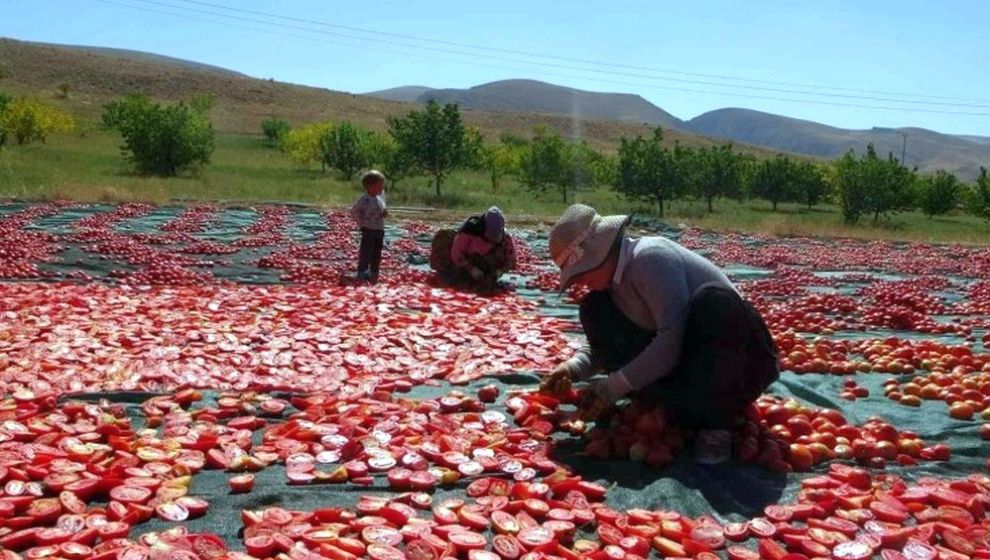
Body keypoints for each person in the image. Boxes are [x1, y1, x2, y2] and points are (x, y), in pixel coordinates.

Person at [540, 204, 779, 464]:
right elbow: (602, 348)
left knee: (714, 303)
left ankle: (716, 423)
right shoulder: (612, 285)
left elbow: (670, 341)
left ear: (598, 255)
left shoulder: (650, 259)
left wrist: (612, 387)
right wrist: (573, 368)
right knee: (593, 309)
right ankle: (681, 411)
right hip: (690, 366)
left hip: (739, 365)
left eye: (580, 273)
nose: (578, 282)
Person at [430, 206, 516, 291]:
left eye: (497, 233)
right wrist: (471, 269)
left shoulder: (505, 238)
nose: (494, 236)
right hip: (462, 264)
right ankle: (451, 275)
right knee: (443, 237)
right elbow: (456, 253)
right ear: (484, 228)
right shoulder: (469, 231)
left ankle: (484, 280)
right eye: (491, 232)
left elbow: (511, 259)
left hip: (487, 267)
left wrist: (499, 272)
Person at [349, 170, 388, 282]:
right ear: (370, 186)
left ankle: (374, 272)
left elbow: (383, 210)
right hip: (368, 229)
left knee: (377, 252)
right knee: (366, 251)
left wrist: (384, 213)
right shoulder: (364, 200)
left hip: (379, 229)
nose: (382, 188)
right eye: (379, 185)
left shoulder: (379, 199)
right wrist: (362, 222)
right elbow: (353, 212)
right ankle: (362, 272)